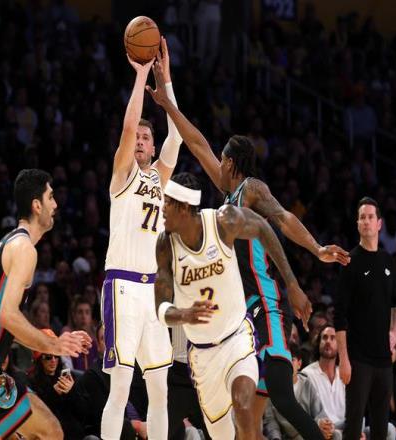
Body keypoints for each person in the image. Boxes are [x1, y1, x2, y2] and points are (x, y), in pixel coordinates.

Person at [146, 61, 350, 439]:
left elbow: (283, 218)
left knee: (282, 396)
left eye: (222, 159)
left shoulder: (251, 189)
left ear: (231, 163)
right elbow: (197, 143)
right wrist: (166, 103)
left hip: (267, 301)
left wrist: (316, 249)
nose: (217, 163)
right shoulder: (227, 201)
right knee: (248, 419)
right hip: (243, 315)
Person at [154, 172, 310, 440]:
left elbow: (262, 228)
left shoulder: (222, 222)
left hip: (237, 338)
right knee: (222, 435)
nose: (162, 208)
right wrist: (184, 315)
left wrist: (292, 283)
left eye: (167, 202)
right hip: (202, 355)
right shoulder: (165, 245)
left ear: (183, 207)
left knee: (244, 407)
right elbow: (161, 308)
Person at [0, 169, 92, 440]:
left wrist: (48, 341)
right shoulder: (25, 249)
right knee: (51, 432)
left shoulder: (9, 242)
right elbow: (8, 316)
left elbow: (4, 319)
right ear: (37, 205)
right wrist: (54, 345)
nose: (56, 204)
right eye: (51, 197)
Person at [101, 38, 183, 440]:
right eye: (137, 137)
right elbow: (128, 125)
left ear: (152, 147)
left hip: (152, 293)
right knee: (120, 388)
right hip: (121, 286)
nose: (139, 141)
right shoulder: (122, 174)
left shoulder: (158, 179)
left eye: (146, 139)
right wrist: (141, 75)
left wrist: (165, 84)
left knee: (160, 390)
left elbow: (178, 138)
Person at [335, 197, 396, 440]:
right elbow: (339, 314)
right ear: (357, 224)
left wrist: (393, 330)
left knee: (381, 428)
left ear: (379, 223)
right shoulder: (350, 261)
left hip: (384, 360)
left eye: (370, 217)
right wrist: (344, 359)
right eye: (362, 217)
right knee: (353, 426)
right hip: (358, 359)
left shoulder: (387, 260)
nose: (366, 221)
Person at [264, 342, 337, 439]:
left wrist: (323, 423)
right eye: (284, 361)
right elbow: (270, 421)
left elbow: (319, 413)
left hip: (311, 433)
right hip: (289, 437)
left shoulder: (307, 383)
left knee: (336, 434)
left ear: (299, 364)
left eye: (292, 360)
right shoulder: (271, 387)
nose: (287, 365)